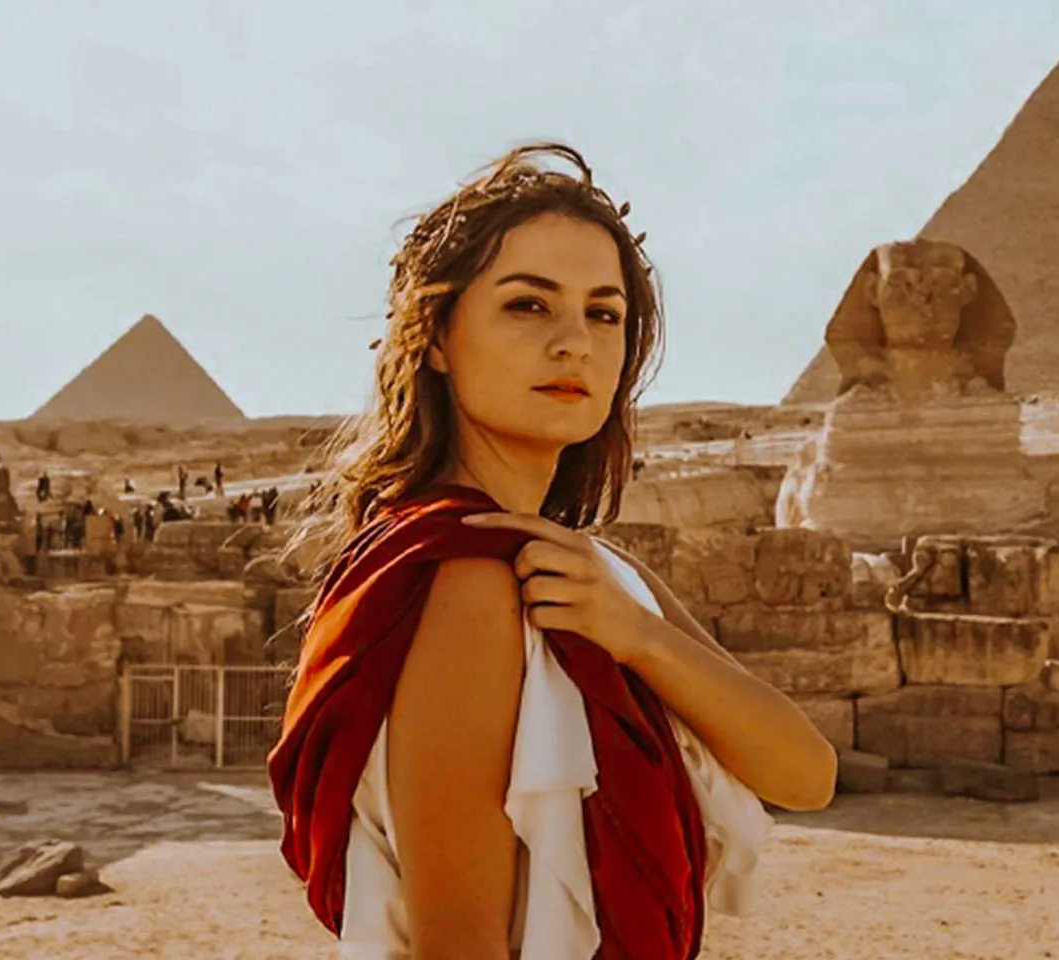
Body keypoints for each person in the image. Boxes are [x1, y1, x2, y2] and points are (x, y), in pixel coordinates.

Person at [268, 143, 837, 960]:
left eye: (604, 313)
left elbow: (805, 774)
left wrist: (635, 635)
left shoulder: (601, 581)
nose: (575, 342)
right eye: (529, 306)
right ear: (434, 335)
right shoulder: (464, 576)